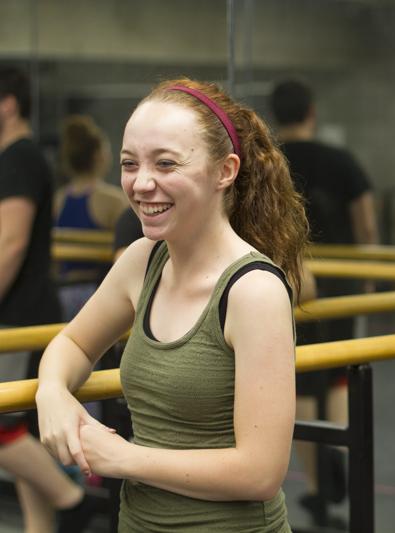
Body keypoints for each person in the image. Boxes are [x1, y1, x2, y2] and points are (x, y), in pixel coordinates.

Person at [35, 77, 309, 532]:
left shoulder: (253, 290)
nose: (142, 183)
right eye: (129, 164)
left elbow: (261, 473)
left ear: (225, 171)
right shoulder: (144, 261)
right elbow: (74, 345)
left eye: (166, 164)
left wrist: (124, 457)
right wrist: (52, 393)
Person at [270, 78, 377, 528]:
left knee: (301, 379)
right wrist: (368, 279)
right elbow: (367, 225)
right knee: (338, 375)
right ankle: (338, 453)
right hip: (341, 283)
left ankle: (316, 483)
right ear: (311, 111)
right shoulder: (342, 161)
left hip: (289, 281)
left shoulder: (270, 163)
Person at [0, 66, 94, 533]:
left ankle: (74, 500)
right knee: (20, 433)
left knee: (3, 430)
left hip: (17, 318)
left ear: (8, 104)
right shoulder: (16, 158)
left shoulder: (18, 158)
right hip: (22, 314)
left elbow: (10, 245)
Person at [54, 114, 128, 320]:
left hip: (62, 291)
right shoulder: (113, 201)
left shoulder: (59, 200)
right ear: (98, 155)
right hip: (97, 293)